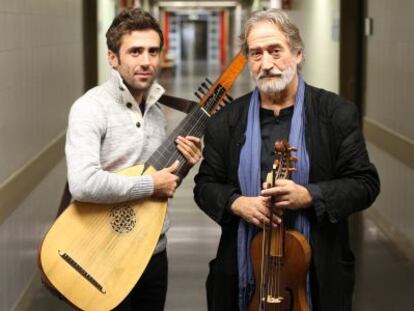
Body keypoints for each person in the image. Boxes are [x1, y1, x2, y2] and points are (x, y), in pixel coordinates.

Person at [193, 9, 380, 311]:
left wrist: (310, 195)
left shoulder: (335, 114)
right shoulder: (226, 121)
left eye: (275, 51)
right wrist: (236, 202)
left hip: (319, 273)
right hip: (242, 270)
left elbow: (365, 183)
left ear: (298, 53)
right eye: (256, 54)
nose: (266, 63)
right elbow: (205, 186)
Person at [65, 8, 202, 311]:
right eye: (135, 51)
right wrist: (151, 184)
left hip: (153, 253)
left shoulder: (156, 111)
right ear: (113, 57)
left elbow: (160, 182)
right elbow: (83, 184)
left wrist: (184, 166)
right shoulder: (90, 109)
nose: (146, 61)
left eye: (153, 51)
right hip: (100, 254)